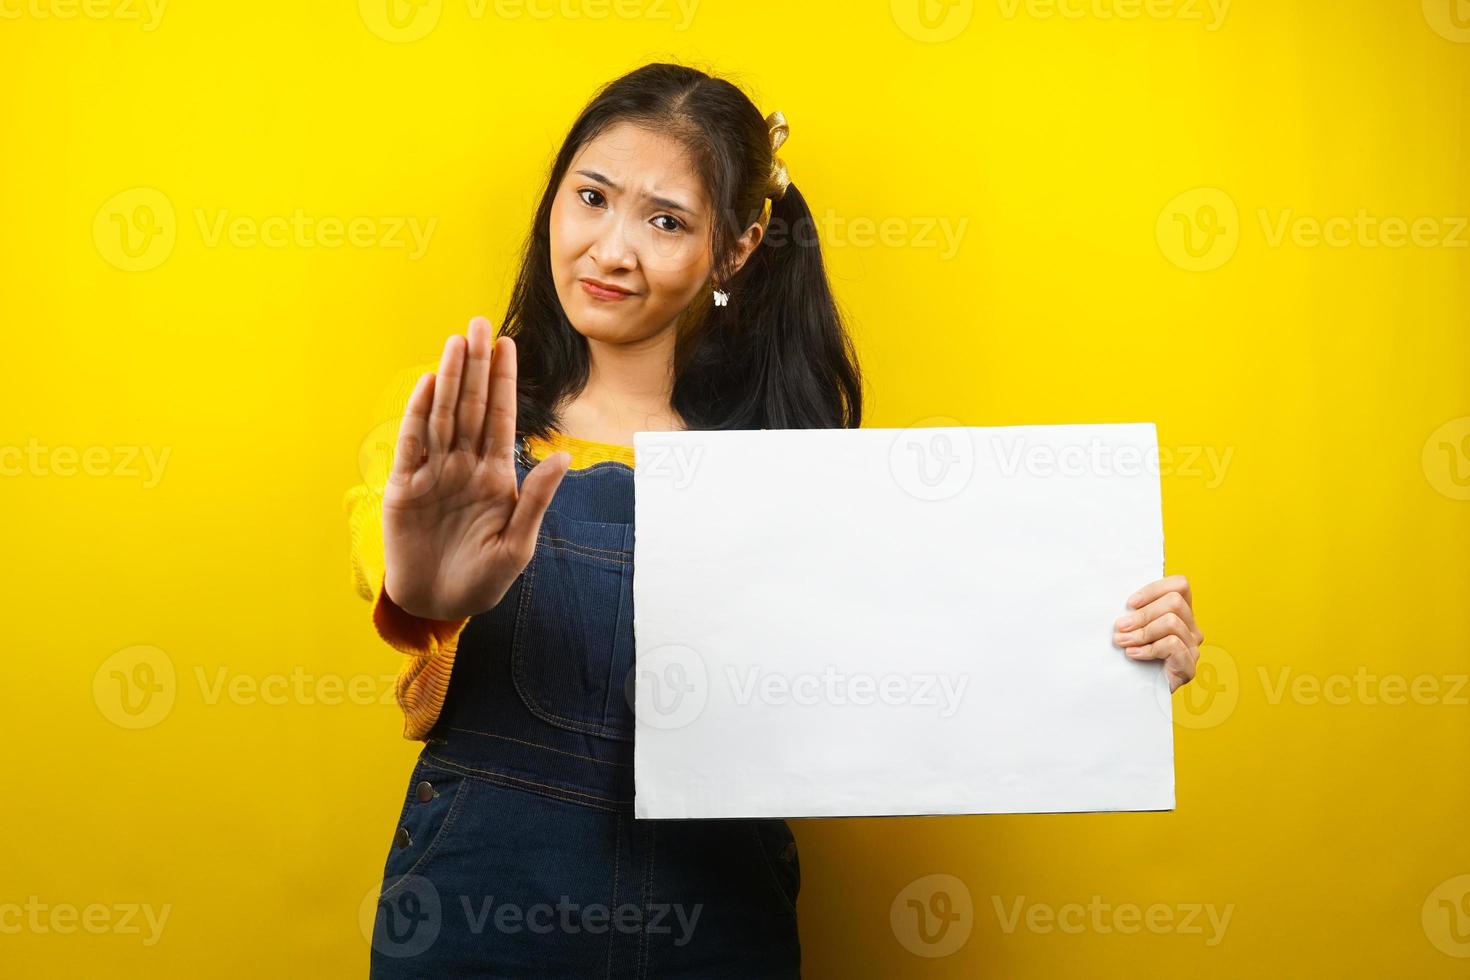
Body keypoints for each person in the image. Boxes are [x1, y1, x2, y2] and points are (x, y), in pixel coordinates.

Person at [345, 61, 1205, 977]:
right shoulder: (457, 426)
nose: (610, 249)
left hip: (718, 921)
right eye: (591, 198)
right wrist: (431, 591)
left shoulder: (797, 472)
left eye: (666, 220)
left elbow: (924, 669)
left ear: (739, 248)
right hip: (482, 909)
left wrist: (1118, 665)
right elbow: (399, 574)